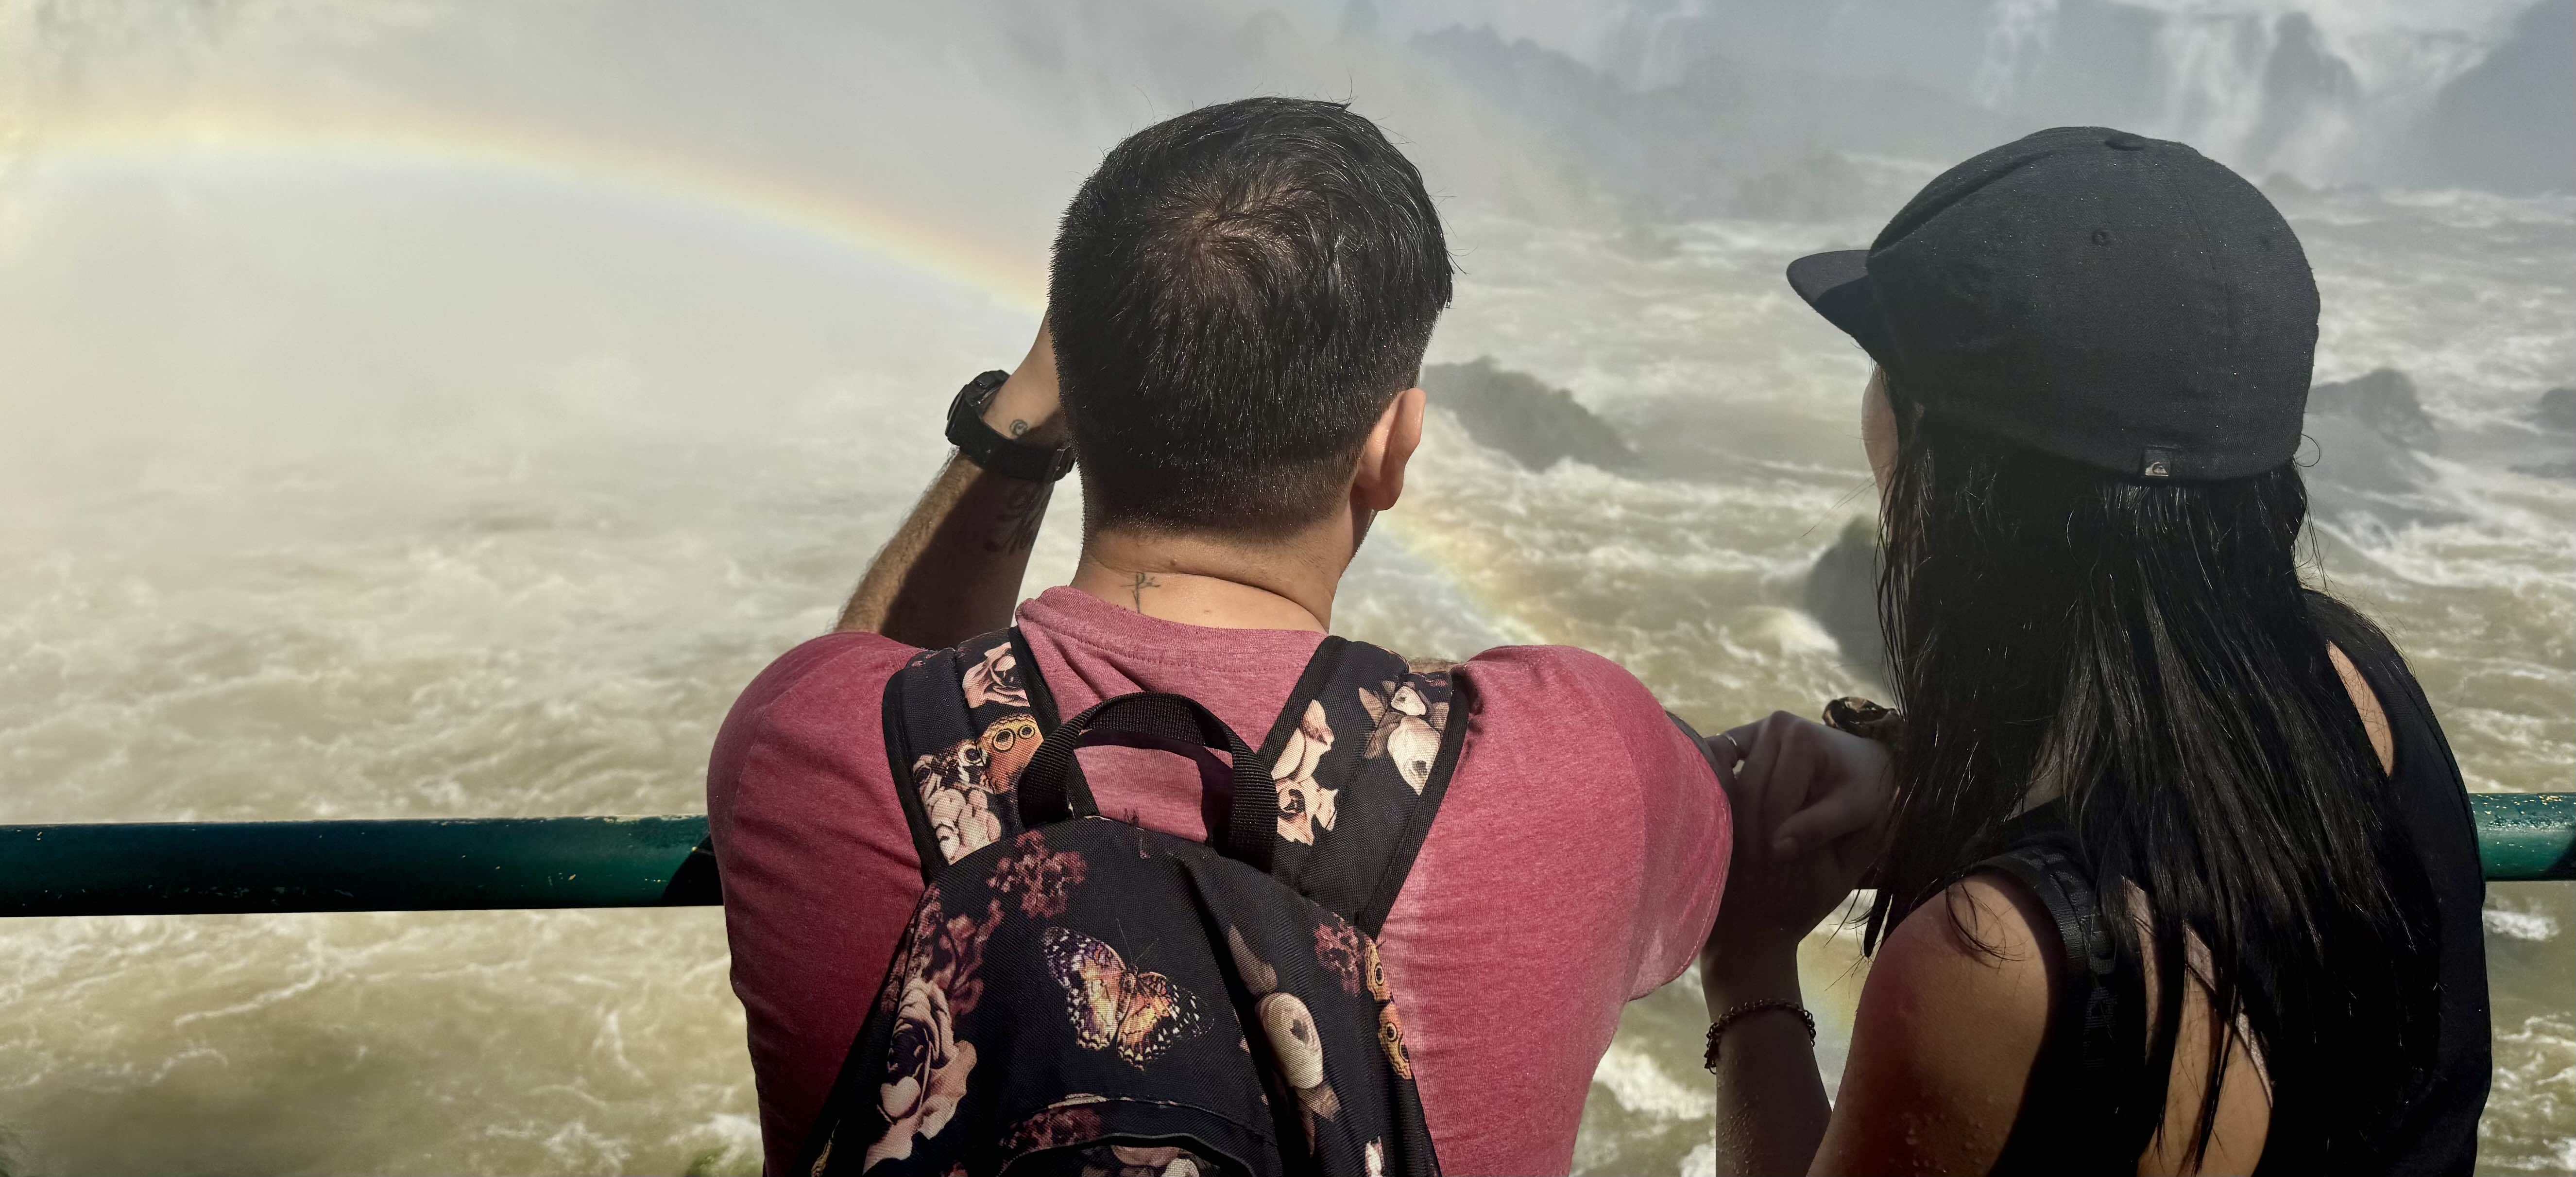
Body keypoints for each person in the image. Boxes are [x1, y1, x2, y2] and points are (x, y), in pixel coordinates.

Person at [710, 97, 1884, 1177]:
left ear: (1083, 393)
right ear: (1394, 446)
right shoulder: (1581, 764)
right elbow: (1768, 808)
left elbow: (898, 684)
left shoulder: (801, 750)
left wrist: (1015, 429)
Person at [1703, 127, 2491, 1177]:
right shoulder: (2354, 677)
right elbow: (2168, 766)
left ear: (1944, 465)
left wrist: (1750, 965)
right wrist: (1919, 775)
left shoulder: (1995, 965)